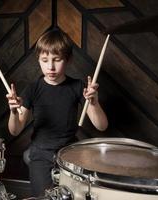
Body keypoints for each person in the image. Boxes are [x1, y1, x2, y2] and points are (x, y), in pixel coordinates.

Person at [6, 28, 108, 197]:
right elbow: (14, 130)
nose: (50, 66)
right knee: (43, 197)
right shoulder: (33, 89)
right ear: (38, 60)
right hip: (40, 154)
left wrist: (94, 103)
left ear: (68, 60)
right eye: (45, 60)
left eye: (57, 59)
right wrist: (13, 112)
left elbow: (102, 126)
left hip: (69, 154)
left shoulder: (78, 87)